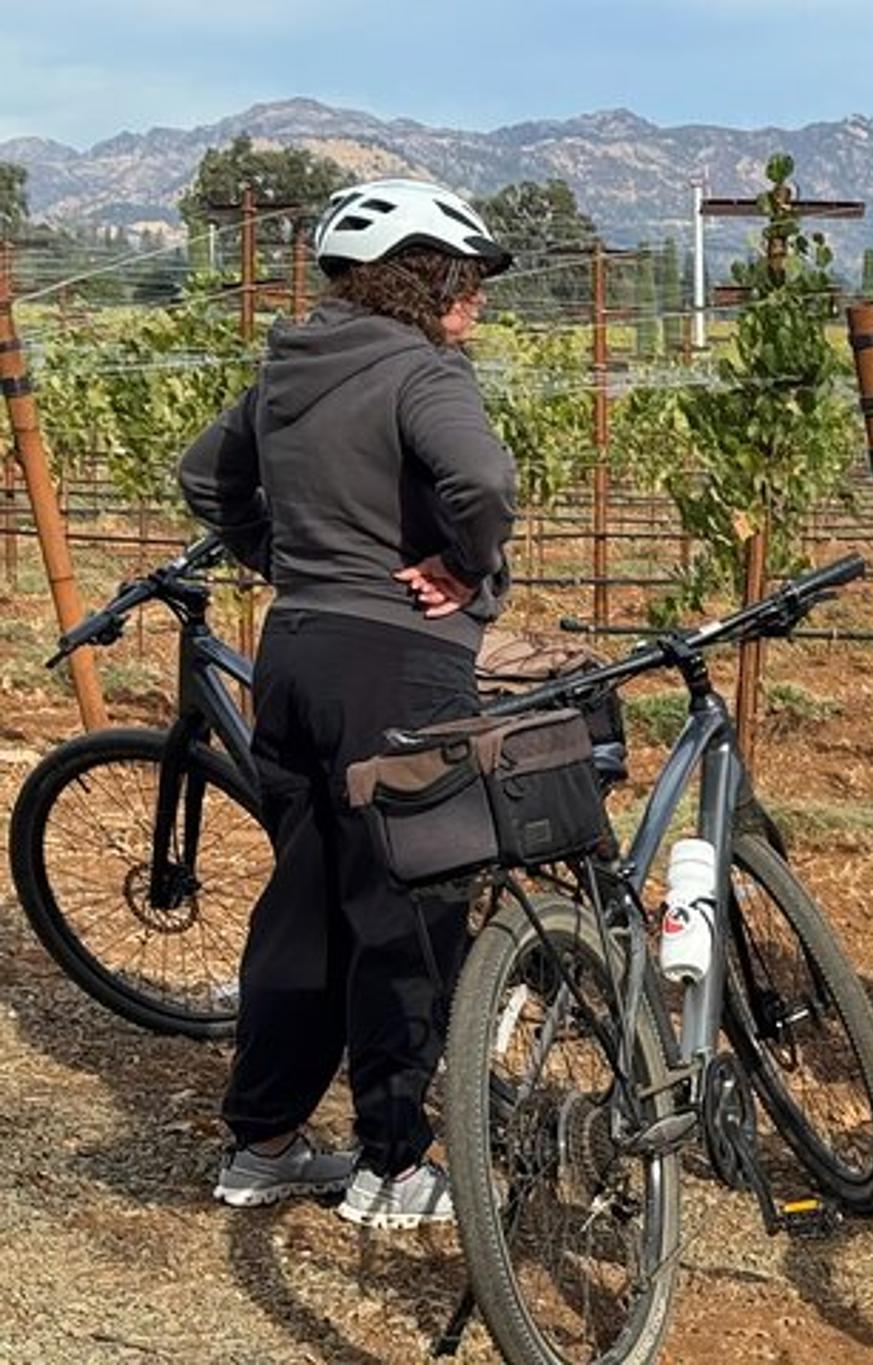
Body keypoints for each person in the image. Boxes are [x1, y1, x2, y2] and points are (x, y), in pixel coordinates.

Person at [181, 178, 518, 1226]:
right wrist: (466, 569)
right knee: (407, 914)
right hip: (398, 664)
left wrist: (281, 560)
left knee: (309, 904)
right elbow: (485, 482)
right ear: (425, 278)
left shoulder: (290, 369)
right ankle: (393, 1163)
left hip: (295, 654)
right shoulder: (425, 371)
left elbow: (206, 478)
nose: (479, 302)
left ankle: (265, 1143)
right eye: (468, 280)